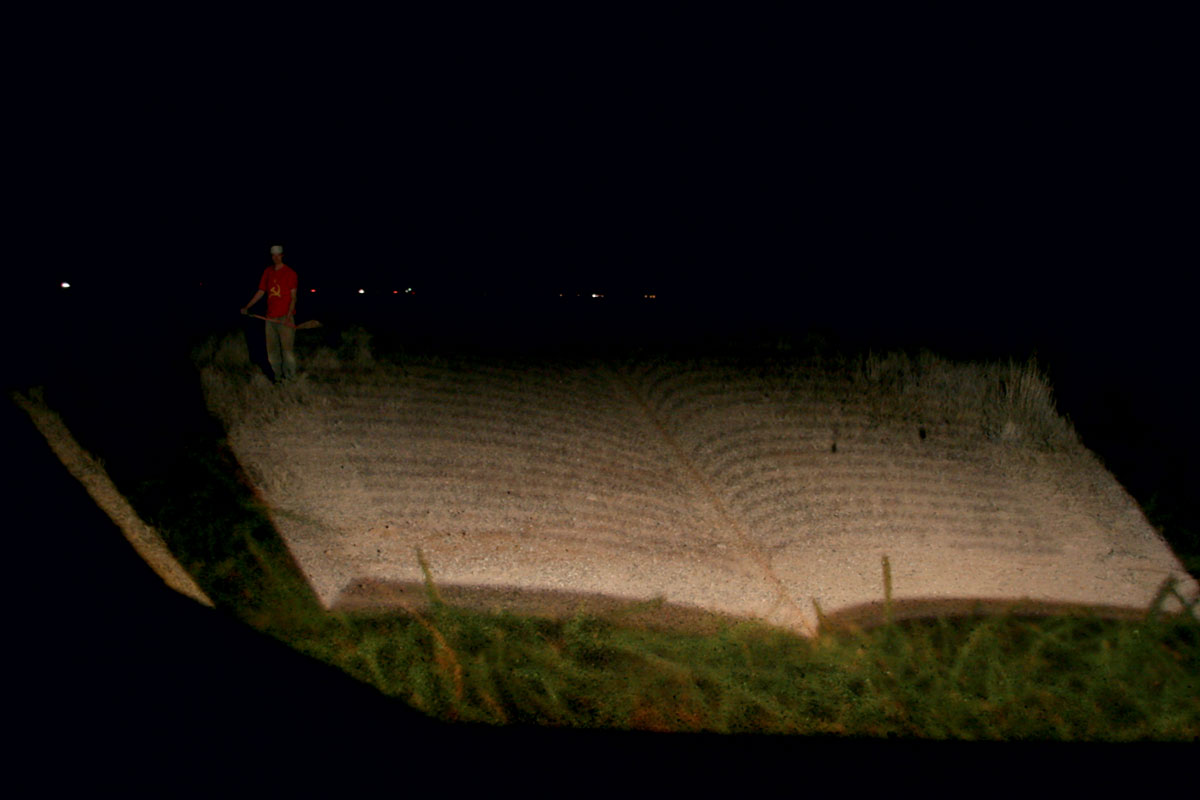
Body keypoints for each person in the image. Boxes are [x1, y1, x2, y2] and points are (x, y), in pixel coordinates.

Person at [241, 245, 299, 383]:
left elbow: (293, 296)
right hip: (270, 318)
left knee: (287, 352)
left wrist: (289, 316)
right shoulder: (267, 272)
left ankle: (290, 379)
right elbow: (261, 292)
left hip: (285, 317)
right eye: (273, 255)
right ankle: (277, 378)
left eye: (278, 255)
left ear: (282, 255)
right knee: (272, 352)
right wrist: (247, 307)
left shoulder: (290, 273)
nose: (276, 257)